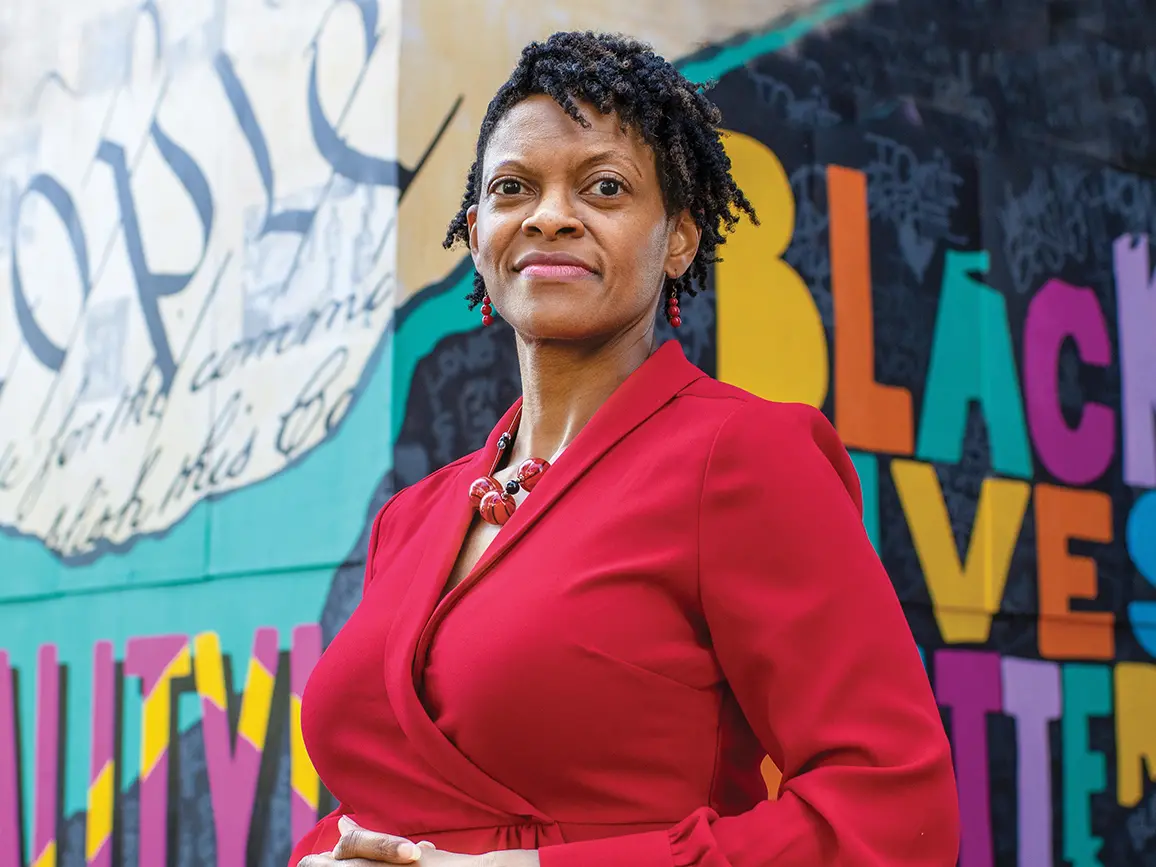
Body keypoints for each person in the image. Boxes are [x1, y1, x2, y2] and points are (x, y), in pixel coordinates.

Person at [292, 30, 960, 867]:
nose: (549, 214)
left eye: (604, 187)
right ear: (478, 232)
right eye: (513, 188)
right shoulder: (411, 516)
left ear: (678, 237)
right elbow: (385, 808)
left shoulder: (744, 458)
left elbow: (895, 810)